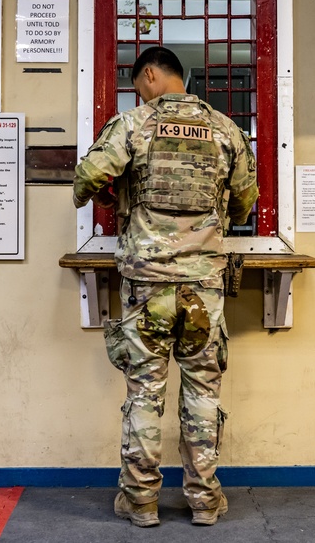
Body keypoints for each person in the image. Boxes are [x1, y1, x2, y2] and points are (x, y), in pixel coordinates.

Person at [73, 46, 259, 527]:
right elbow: (243, 204)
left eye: (139, 85)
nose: (139, 92)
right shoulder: (225, 129)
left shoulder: (132, 124)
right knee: (202, 396)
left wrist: (116, 192)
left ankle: (141, 501)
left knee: (144, 395)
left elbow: (86, 180)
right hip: (205, 289)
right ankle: (203, 500)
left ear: (150, 75)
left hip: (146, 288)